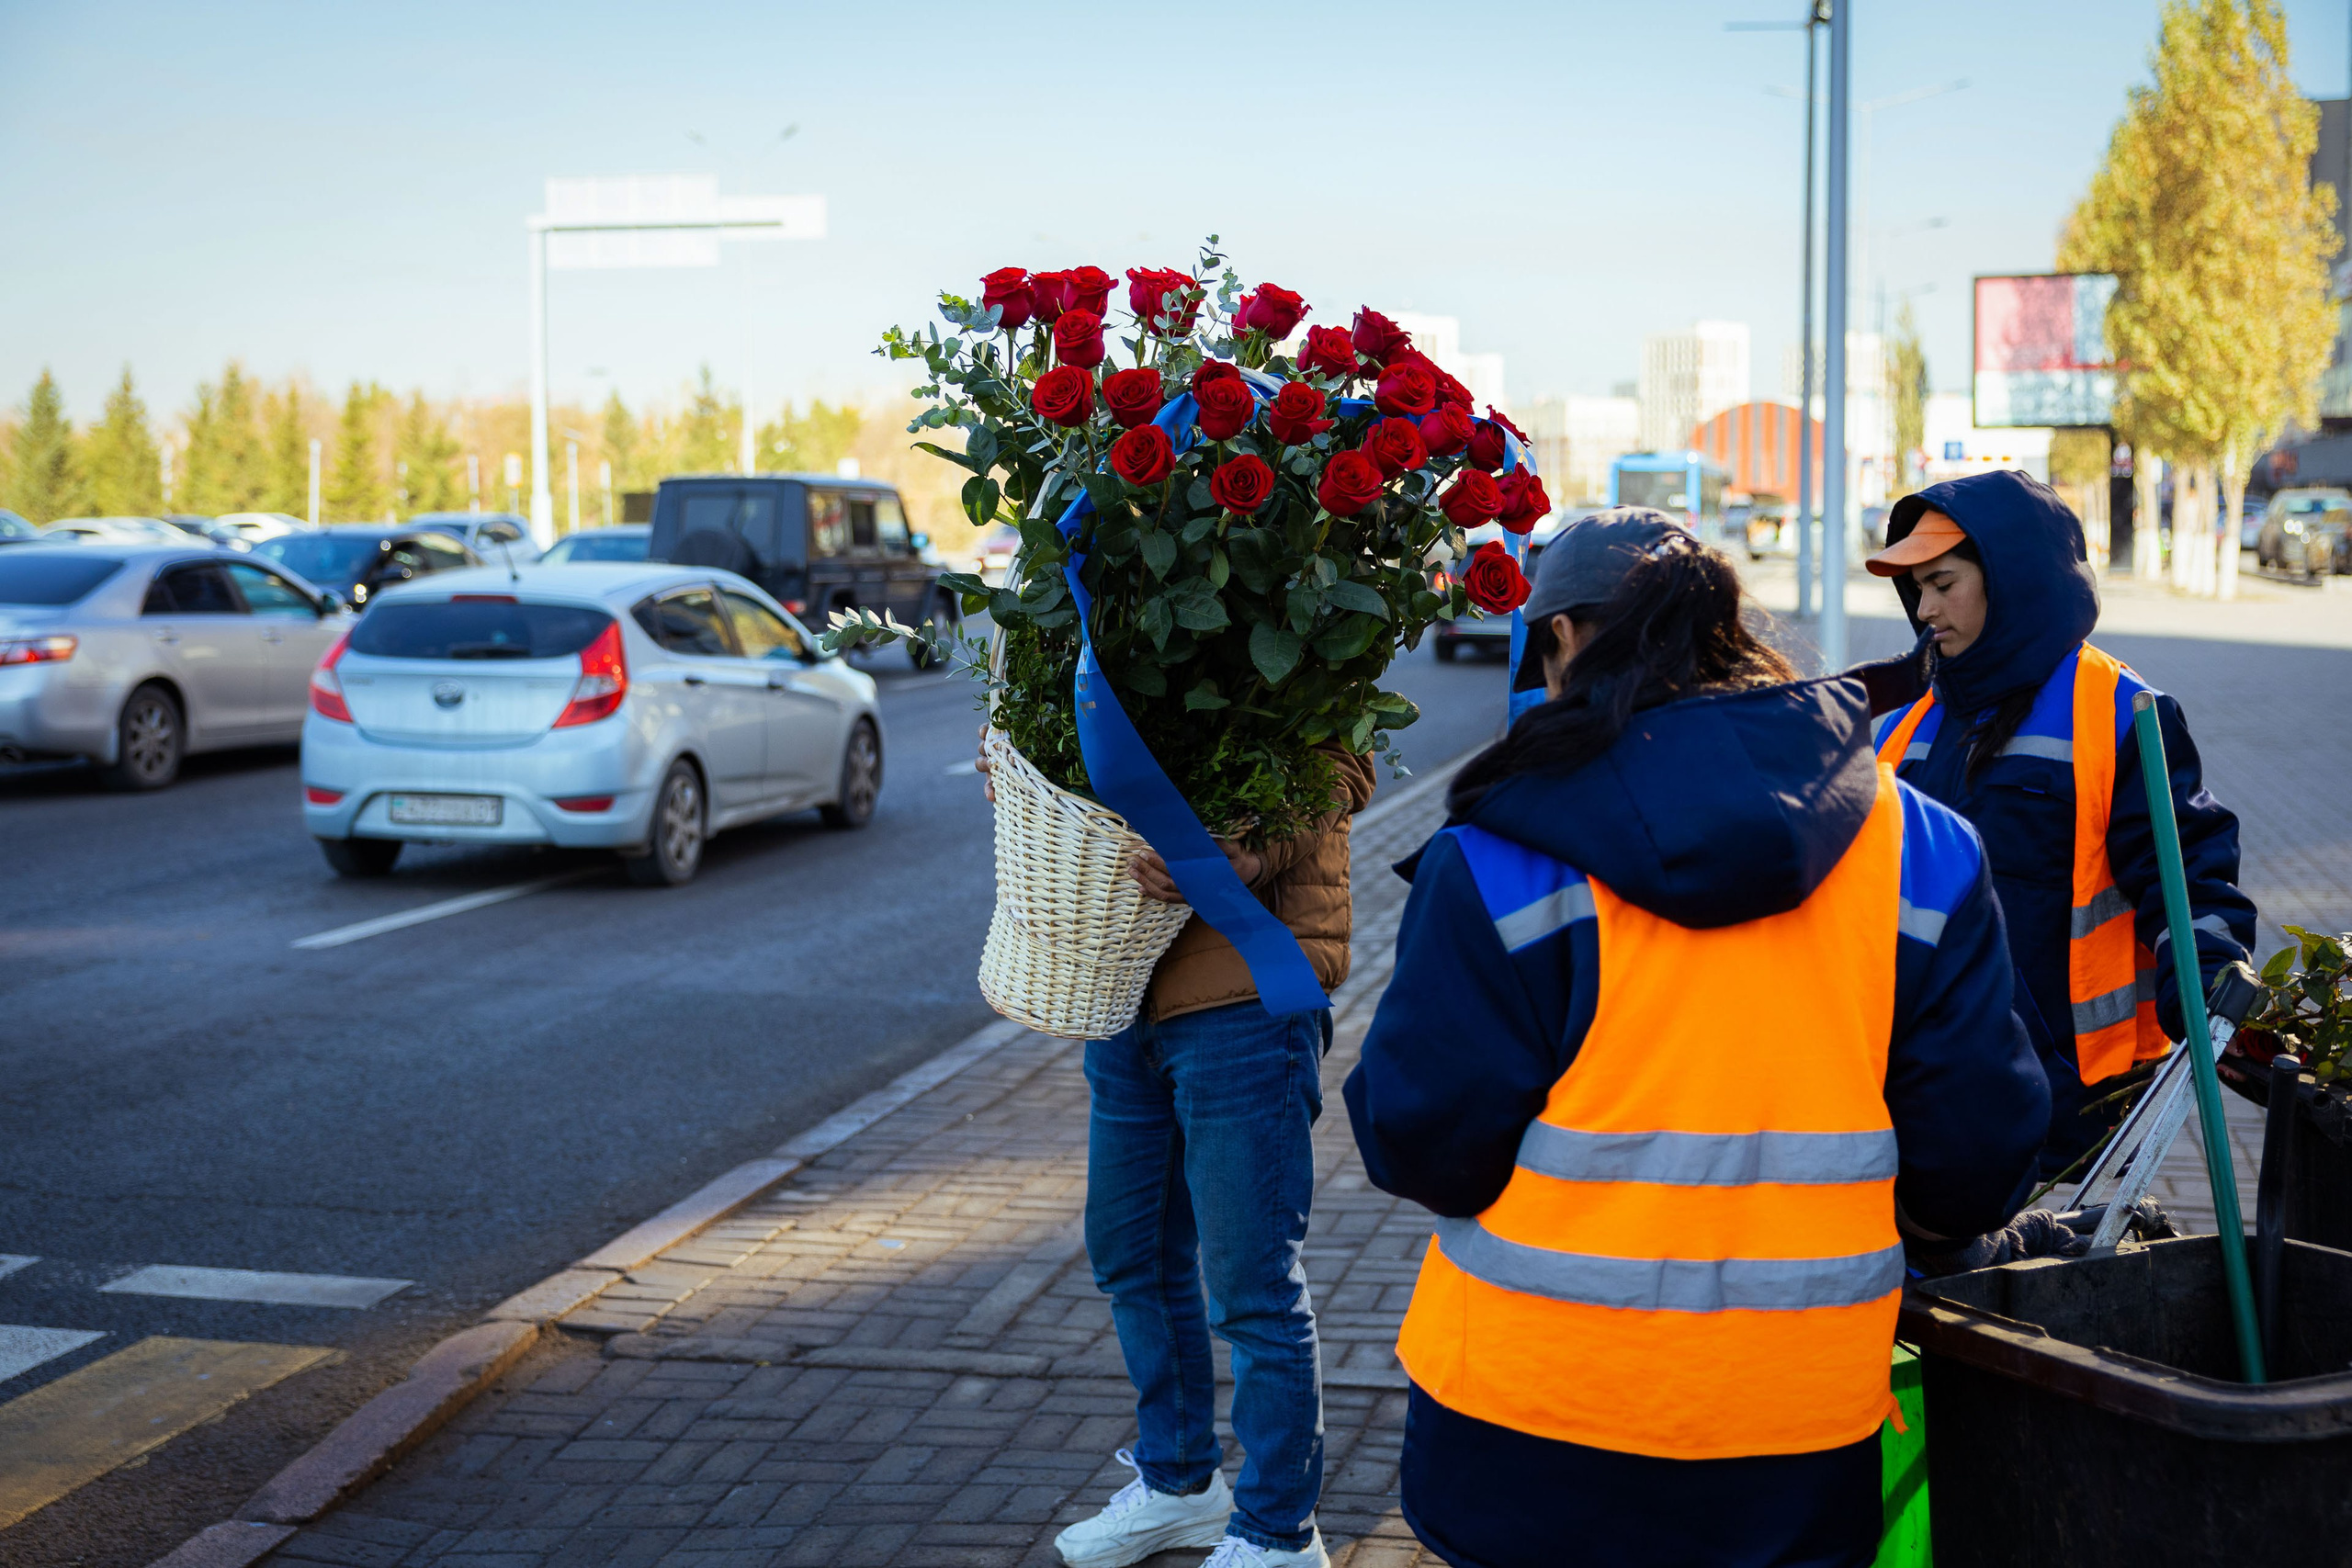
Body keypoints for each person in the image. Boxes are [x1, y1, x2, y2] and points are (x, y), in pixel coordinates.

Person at [1344, 510, 2049, 1567]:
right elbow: (1977, 1161)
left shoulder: (1499, 854)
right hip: (1800, 1424)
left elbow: (1420, 1141)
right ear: (1730, 635)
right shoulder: (1924, 850)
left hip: (1525, 1417)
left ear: (1565, 643)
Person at [982, 728, 1374, 1568]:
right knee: (1132, 1255)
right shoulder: (1107, 611)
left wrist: (1249, 855)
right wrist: (1026, 778)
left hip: (1242, 989)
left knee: (1251, 1286)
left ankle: (1279, 1532)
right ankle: (1181, 1485)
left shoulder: (1297, 601)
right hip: (1125, 981)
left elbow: (1345, 762)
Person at [1861, 470, 2256, 1178]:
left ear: (2009, 580)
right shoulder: (1905, 720)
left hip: (2065, 1099)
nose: (1924, 609)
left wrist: (2207, 976)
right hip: (1917, 1080)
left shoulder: (2121, 711)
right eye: (1915, 588)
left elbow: (2188, 875)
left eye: (1943, 583)